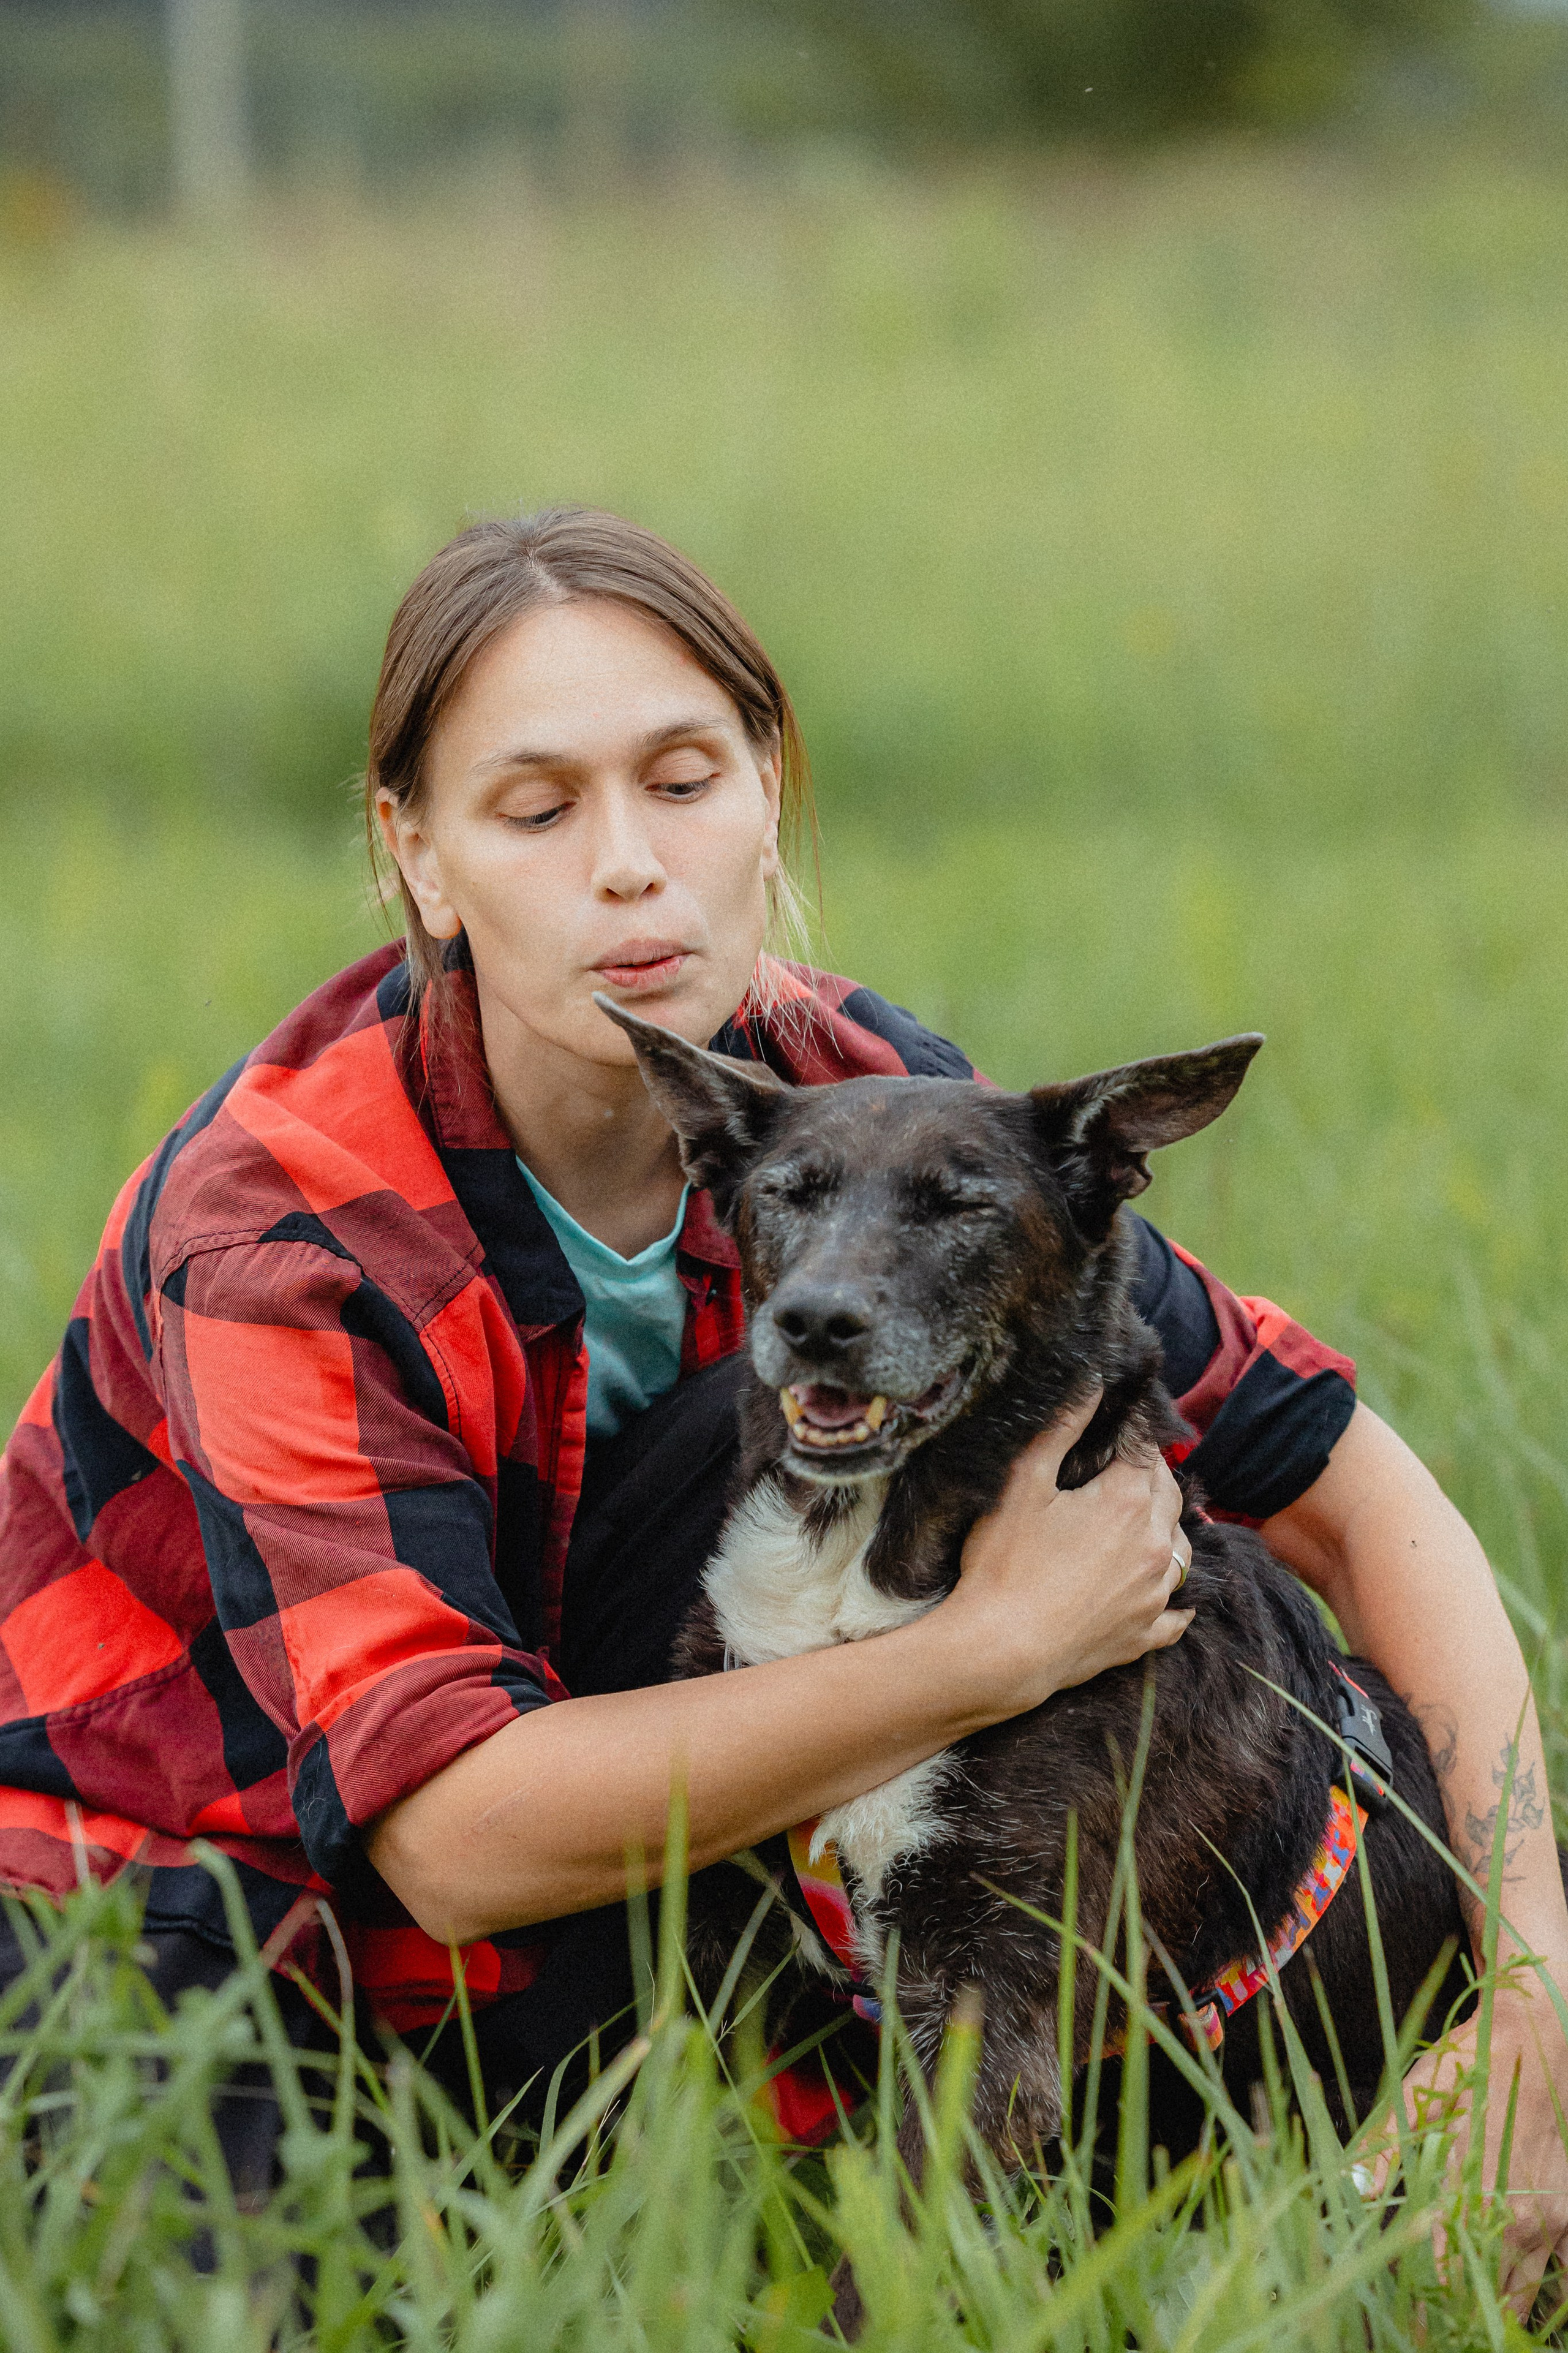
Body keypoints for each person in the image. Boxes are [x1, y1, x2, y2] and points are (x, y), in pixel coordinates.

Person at [0, 508, 1562, 2305]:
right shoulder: (288, 1226)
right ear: (418, 858)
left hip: (628, 1875)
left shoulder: (862, 1117)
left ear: (767, 796)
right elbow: (450, 1830)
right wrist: (987, 1648)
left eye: (682, 780)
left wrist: (1534, 1989)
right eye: (536, 807)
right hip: (198, 1918)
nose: (628, 868)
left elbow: (1345, 1481)